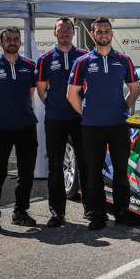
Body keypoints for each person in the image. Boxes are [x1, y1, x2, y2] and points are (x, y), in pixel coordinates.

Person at [67, 17, 140, 230]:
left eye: (106, 30)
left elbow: (134, 89)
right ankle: (97, 214)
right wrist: (86, 113)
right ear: (92, 34)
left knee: (120, 171)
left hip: (118, 124)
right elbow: (72, 94)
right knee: (93, 172)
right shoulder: (83, 62)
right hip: (92, 126)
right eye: (99, 31)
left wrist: (124, 109)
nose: (103, 34)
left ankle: (122, 212)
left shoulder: (124, 60)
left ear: (112, 33)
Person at [0, 27, 39, 236]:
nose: (12, 42)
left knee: (26, 173)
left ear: (20, 42)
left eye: (15, 39)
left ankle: (20, 212)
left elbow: (30, 93)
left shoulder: (30, 66)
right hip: (2, 129)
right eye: (8, 39)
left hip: (26, 127)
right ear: (0, 42)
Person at [34, 17, 89, 228]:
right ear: (54, 33)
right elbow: (41, 90)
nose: (65, 32)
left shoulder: (84, 56)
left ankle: (90, 209)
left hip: (81, 118)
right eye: (61, 29)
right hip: (55, 119)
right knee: (55, 167)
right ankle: (57, 213)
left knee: (85, 164)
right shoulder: (45, 59)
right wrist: (53, 103)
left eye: (68, 29)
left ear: (74, 32)